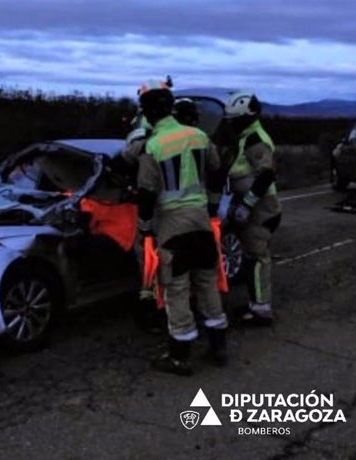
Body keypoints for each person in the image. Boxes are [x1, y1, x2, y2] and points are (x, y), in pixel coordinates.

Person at [136, 78, 228, 375]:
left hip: (172, 226)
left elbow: (147, 192)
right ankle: (219, 347)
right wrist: (213, 208)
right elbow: (216, 173)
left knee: (176, 289)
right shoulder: (199, 135)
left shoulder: (152, 145)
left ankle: (179, 356)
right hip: (201, 221)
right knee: (206, 282)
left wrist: (144, 228)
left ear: (148, 113)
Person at [223, 91, 281, 326]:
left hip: (261, 208)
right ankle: (255, 304)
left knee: (257, 258)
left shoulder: (255, 138)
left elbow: (266, 174)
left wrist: (246, 204)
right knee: (250, 256)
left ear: (246, 116)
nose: (232, 124)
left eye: (235, 119)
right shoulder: (246, 136)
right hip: (256, 207)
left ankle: (260, 311)